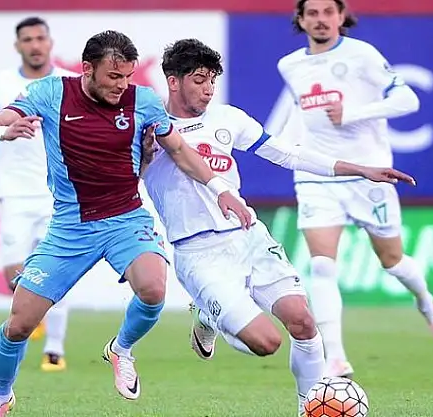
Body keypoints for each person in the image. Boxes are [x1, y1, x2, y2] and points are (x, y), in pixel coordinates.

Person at [0, 30, 252, 417]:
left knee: (153, 288)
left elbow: (180, 151)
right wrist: (4, 132)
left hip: (126, 219)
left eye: (127, 76)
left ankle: (121, 349)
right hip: (70, 227)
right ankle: (1, 397)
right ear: (87, 69)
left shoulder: (143, 101)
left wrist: (221, 189)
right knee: (19, 325)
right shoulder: (51, 92)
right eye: (113, 76)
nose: (122, 85)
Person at [141, 38, 415, 416]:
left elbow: (287, 154)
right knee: (266, 342)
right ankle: (208, 314)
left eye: (212, 81)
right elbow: (124, 179)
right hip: (199, 252)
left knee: (303, 322)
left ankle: (309, 408)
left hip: (248, 235)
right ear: (173, 82)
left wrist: (360, 169)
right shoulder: (150, 129)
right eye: (199, 80)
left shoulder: (228, 119)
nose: (208, 89)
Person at [276, 0, 433, 378]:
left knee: (392, 261)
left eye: (328, 12)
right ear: (301, 20)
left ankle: (424, 299)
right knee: (321, 265)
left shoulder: (362, 55)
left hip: (369, 174)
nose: (321, 20)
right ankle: (336, 357)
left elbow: (408, 100)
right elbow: (299, 111)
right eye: (312, 13)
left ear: (341, 16)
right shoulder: (290, 65)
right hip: (319, 175)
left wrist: (353, 114)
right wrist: (282, 147)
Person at [0, 16, 77, 373]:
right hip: (14, 194)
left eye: (40, 38)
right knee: (14, 277)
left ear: (50, 42)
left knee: (56, 272)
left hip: (59, 196)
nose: (35, 45)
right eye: (27, 39)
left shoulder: (69, 83)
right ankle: (34, 313)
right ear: (18, 46)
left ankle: (55, 349)